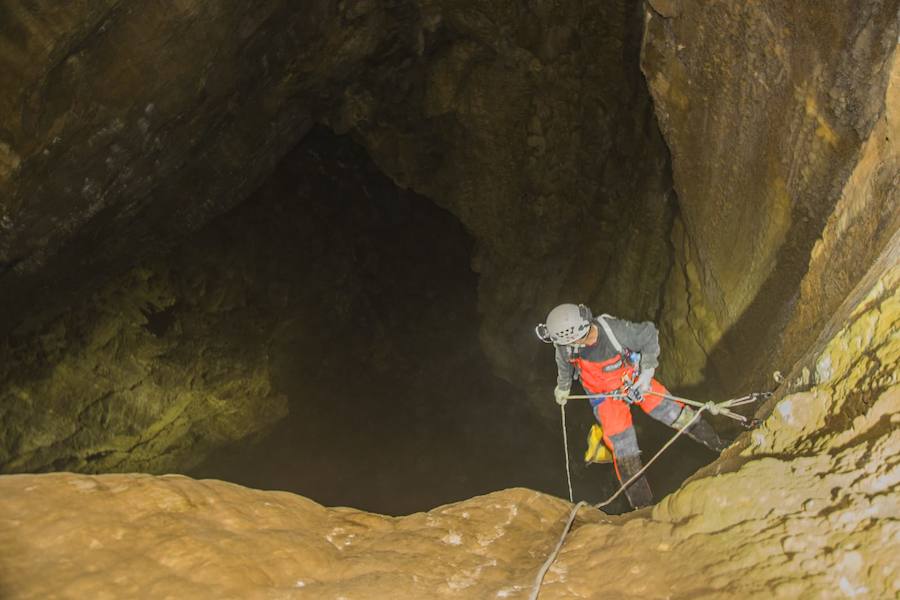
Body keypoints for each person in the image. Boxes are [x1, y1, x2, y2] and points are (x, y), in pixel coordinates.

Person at [535, 303, 725, 509]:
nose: (562, 345)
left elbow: (649, 334)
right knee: (624, 448)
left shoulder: (614, 331)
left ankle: (720, 445)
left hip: (634, 381)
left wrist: (646, 374)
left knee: (677, 414)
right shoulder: (566, 348)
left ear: (576, 335)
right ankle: (643, 508)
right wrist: (563, 387)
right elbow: (564, 365)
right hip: (605, 397)